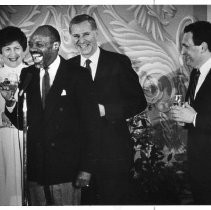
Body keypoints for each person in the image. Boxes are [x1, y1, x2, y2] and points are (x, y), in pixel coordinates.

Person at [1, 25, 101, 205]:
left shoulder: (77, 75)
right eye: (31, 44)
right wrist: (9, 102)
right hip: (36, 172)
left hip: (66, 171)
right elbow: (22, 122)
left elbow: (92, 125)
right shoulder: (28, 73)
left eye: (39, 44)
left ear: (55, 46)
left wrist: (86, 168)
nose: (33, 49)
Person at [68, 14, 147, 205]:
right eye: (76, 36)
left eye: (86, 34)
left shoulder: (118, 62)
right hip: (80, 157)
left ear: (96, 33)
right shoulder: (67, 68)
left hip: (114, 154)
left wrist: (106, 110)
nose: (81, 40)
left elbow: (139, 101)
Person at [170, 21, 211, 204]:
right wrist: (184, 118)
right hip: (199, 165)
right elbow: (196, 112)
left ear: (203, 47)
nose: (183, 51)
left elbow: (197, 116)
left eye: (186, 46)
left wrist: (193, 118)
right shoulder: (195, 73)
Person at [0, 26, 27, 205]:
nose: (12, 53)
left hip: (26, 137)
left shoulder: (33, 74)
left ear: (24, 50)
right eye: (7, 48)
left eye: (17, 48)